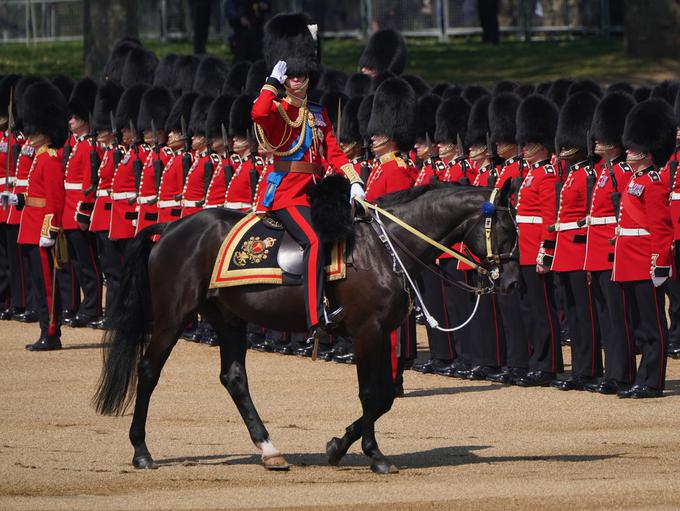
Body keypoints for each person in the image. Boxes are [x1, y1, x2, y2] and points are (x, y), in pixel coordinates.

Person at [251, 13, 364, 337]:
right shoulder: (276, 110)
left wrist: (354, 180)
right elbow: (257, 112)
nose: (297, 79)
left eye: (302, 73)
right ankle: (316, 317)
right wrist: (271, 83)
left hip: (314, 193)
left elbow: (334, 153)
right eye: (292, 74)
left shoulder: (317, 112)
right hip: (287, 192)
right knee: (314, 240)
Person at [612, 99, 675, 399]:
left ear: (648, 152)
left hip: (644, 261)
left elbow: (661, 229)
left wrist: (659, 263)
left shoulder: (654, 182)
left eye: (635, 147)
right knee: (639, 325)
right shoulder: (633, 180)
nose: (628, 150)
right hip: (627, 259)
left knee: (652, 325)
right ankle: (643, 376)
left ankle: (653, 381)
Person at [583, 91, 637, 394]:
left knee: (619, 317)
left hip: (613, 251)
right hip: (597, 252)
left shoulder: (622, 172)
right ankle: (611, 372)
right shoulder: (605, 171)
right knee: (605, 317)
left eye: (602, 137)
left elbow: (623, 214)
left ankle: (623, 373)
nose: (596, 141)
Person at [9, 81, 68, 350]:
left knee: (47, 286)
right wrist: (18, 199)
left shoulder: (51, 160)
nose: (30, 136)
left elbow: (55, 201)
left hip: (42, 230)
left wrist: (50, 230)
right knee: (37, 284)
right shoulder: (40, 158)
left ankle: (52, 332)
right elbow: (37, 196)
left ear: (47, 131)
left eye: (35, 131)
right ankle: (45, 329)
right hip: (30, 227)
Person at [550, 91, 602, 391]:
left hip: (581, 250)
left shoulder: (588, 175)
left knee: (586, 315)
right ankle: (580, 369)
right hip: (566, 251)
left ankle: (591, 368)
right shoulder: (573, 175)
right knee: (572, 314)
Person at [512, 94, 564, 387]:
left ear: (542, 145)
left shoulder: (546, 175)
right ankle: (536, 360)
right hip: (523, 250)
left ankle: (548, 365)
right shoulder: (531, 174)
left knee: (543, 311)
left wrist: (546, 250)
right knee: (529, 310)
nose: (525, 148)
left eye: (530, 144)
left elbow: (549, 217)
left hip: (537, 251)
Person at [62, 77, 103, 328]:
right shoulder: (76, 145)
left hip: (79, 210)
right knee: (77, 262)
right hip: (68, 210)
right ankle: (84, 305)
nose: (70, 121)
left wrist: (84, 213)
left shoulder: (89, 147)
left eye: (74, 118)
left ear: (84, 120)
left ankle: (93, 307)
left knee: (89, 265)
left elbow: (89, 186)